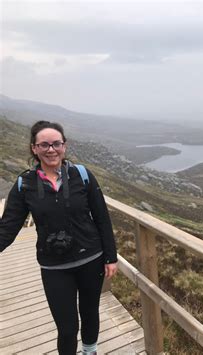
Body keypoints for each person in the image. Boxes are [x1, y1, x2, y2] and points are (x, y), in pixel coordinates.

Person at [0, 120, 118, 355]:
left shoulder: (82, 175)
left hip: (91, 259)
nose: (51, 149)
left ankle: (90, 351)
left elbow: (102, 218)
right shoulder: (25, 184)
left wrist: (110, 257)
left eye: (56, 143)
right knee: (67, 328)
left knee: (89, 312)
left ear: (64, 146)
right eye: (44, 144)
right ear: (34, 148)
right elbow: (8, 227)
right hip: (54, 266)